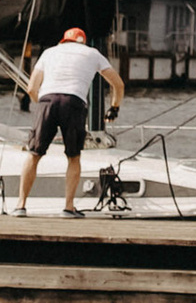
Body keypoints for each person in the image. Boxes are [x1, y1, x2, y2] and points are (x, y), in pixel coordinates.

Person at [17, 24, 123, 219]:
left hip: (47, 101)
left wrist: (41, 104)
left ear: (63, 40)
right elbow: (118, 84)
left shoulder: (50, 52)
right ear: (83, 41)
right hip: (74, 102)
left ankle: (20, 206)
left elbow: (32, 88)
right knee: (73, 156)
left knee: (34, 154)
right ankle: (68, 207)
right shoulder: (93, 53)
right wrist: (114, 108)